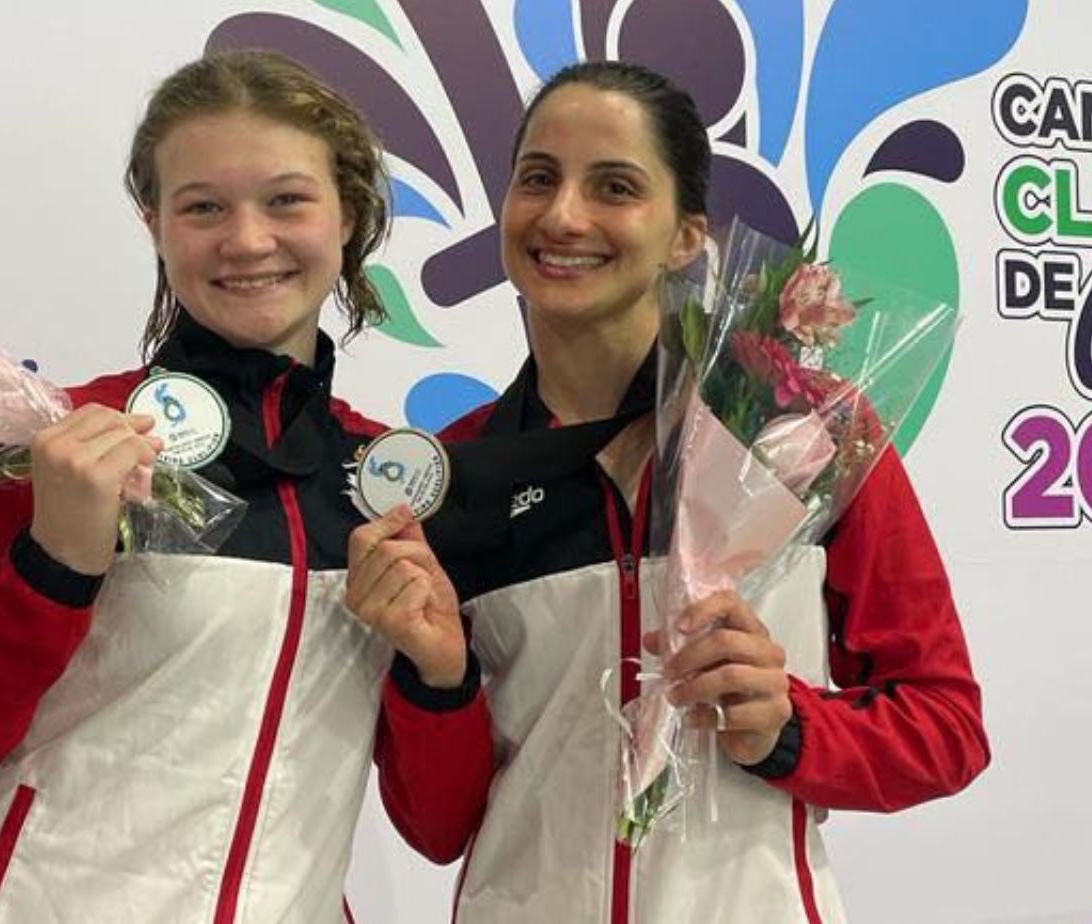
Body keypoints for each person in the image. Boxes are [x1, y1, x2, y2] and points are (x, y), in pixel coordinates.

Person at [0, 49, 487, 924]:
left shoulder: (385, 481)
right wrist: (55, 566)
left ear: (347, 212)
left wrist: (440, 675)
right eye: (203, 207)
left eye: (286, 199)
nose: (246, 239)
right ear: (153, 221)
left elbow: (439, 826)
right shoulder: (69, 441)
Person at [404, 60, 990, 923]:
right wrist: (437, 680)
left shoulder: (802, 431)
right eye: (538, 178)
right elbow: (436, 825)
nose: (563, 215)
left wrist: (790, 728)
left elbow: (945, 729)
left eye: (615, 186)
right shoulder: (452, 474)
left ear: (687, 235)